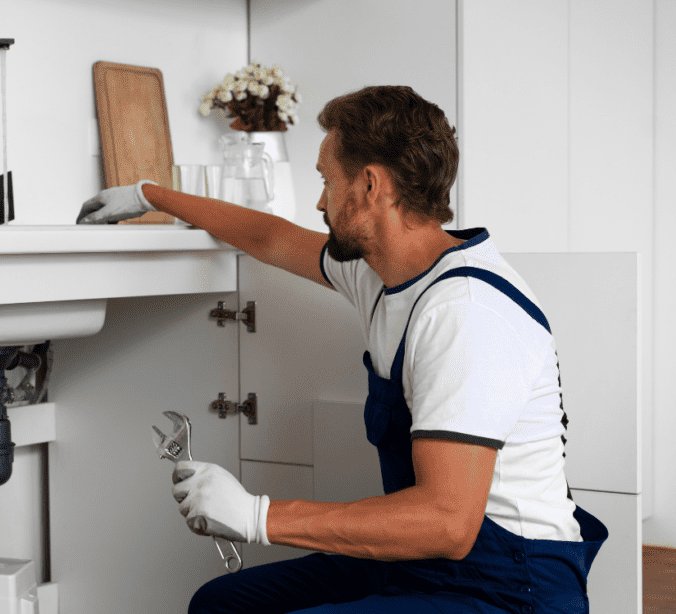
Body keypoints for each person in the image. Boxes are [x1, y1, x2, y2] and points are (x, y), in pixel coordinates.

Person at [76, 85, 607, 614]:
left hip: (510, 587)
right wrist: (150, 195)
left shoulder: (464, 311)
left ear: (371, 185)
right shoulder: (379, 273)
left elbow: (448, 523)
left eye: (327, 180)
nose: (320, 201)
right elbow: (268, 236)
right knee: (221, 604)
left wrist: (257, 515)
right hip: (425, 561)